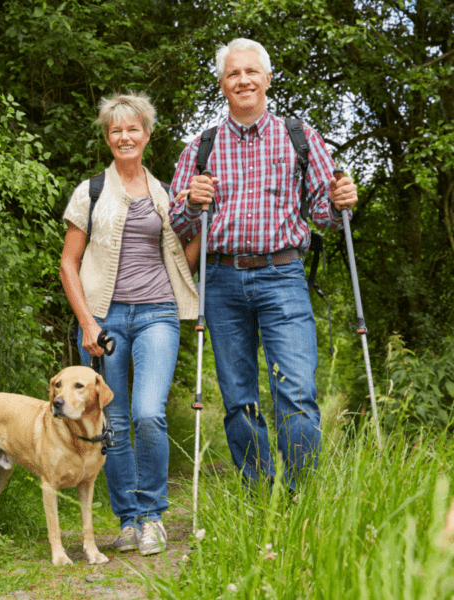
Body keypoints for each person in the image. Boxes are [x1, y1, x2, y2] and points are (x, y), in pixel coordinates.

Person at [169, 38, 358, 493]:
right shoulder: (201, 146)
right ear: (222, 85)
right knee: (238, 400)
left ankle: (299, 498)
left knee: (295, 393)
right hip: (221, 278)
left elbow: (326, 215)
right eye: (233, 74)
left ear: (267, 79)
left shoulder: (300, 137)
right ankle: (257, 493)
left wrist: (340, 202)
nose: (243, 80)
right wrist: (192, 203)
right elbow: (175, 221)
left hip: (283, 276)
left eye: (251, 72)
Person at [60, 92, 198, 555]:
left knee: (148, 413)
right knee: (112, 421)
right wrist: (86, 323)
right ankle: (128, 520)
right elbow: (68, 263)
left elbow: (182, 259)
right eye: (115, 130)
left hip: (158, 311)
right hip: (104, 317)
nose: (124, 136)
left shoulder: (166, 194)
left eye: (132, 128)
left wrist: (206, 229)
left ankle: (154, 516)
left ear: (147, 134)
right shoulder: (90, 191)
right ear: (107, 137)